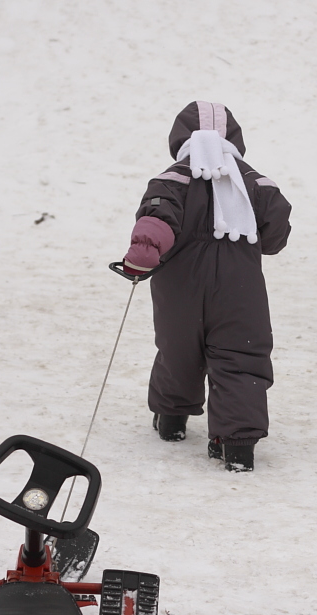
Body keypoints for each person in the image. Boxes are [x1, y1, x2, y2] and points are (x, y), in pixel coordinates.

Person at [123, 101, 291, 471]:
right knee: (241, 357)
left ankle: (170, 419)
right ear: (234, 138)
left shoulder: (171, 180)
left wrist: (143, 252)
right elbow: (276, 235)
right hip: (239, 290)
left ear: (180, 138)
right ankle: (236, 445)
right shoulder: (256, 183)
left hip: (179, 289)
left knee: (178, 350)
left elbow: (156, 219)